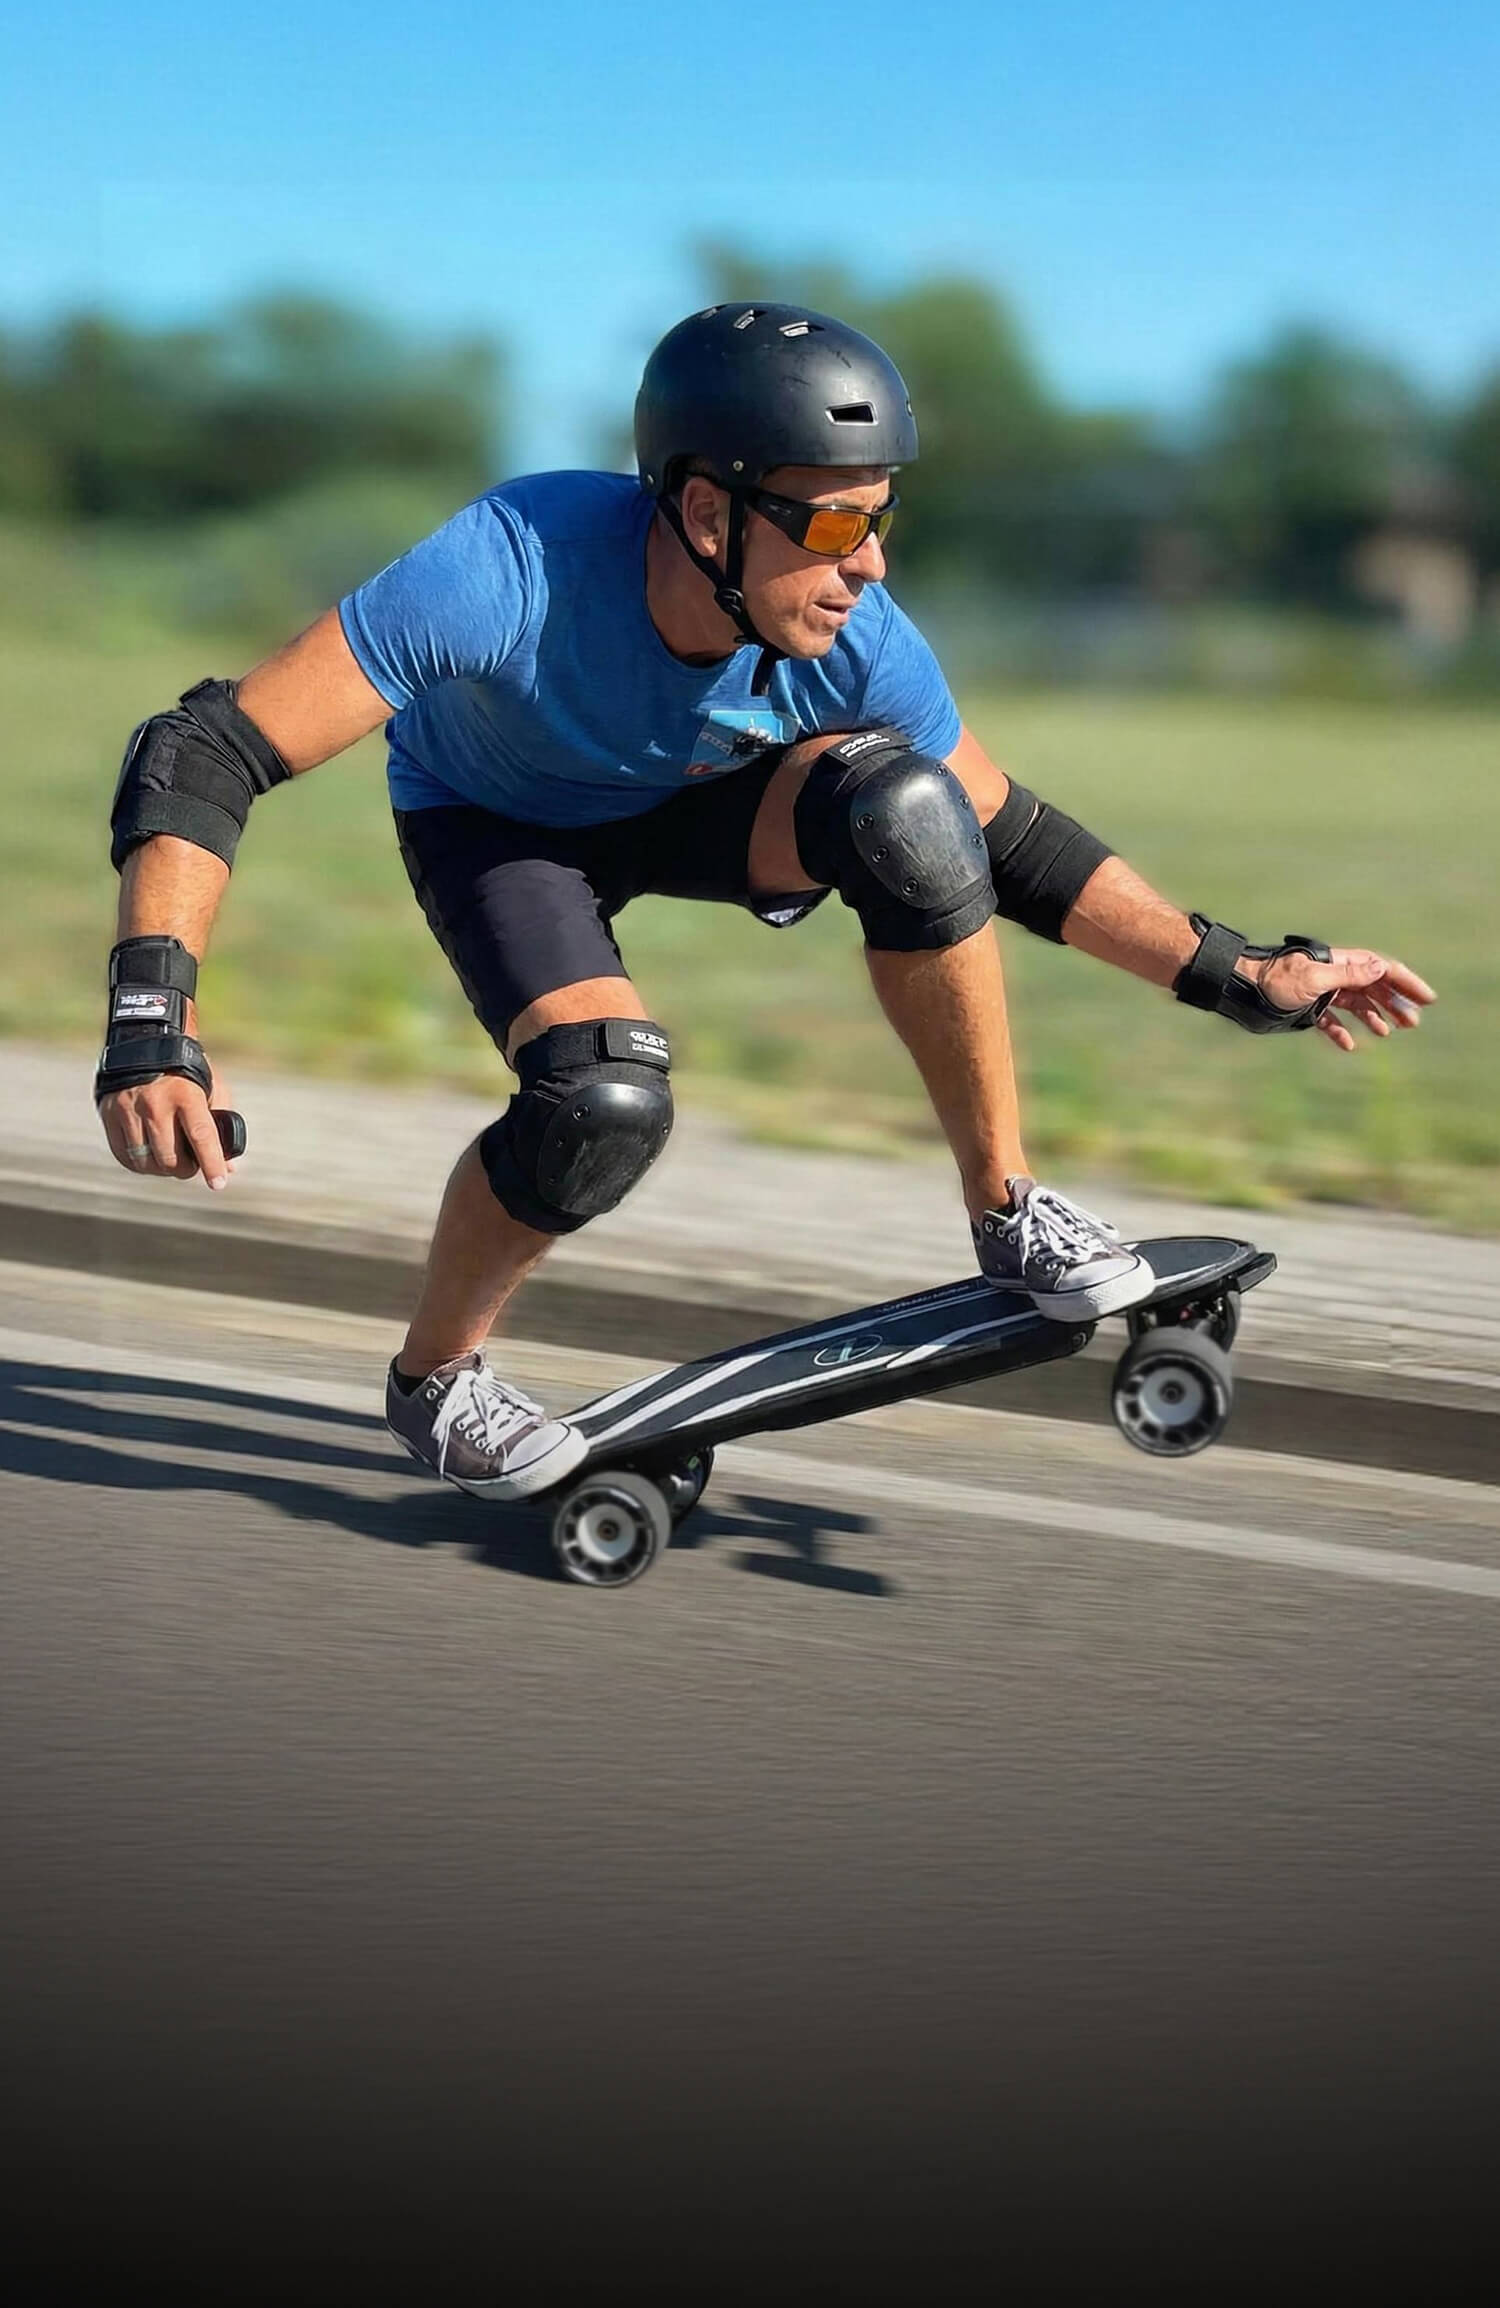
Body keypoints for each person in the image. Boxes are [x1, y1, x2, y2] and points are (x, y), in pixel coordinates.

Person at [95, 302, 1436, 1501]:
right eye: (838, 523)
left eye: (883, 519)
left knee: (910, 808)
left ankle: (1010, 1203)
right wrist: (154, 1022)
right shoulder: (510, 562)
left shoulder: (855, 640)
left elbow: (1013, 840)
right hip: (498, 826)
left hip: (702, 805)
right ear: (705, 512)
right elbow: (205, 750)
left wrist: (1241, 974)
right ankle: (436, 1381)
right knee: (601, 1101)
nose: (870, 566)